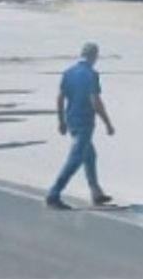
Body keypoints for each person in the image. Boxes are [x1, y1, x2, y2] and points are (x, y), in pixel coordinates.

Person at [46, 43, 116, 210]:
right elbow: (95, 102)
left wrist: (61, 121)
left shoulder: (68, 72)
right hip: (85, 122)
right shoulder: (91, 75)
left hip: (71, 120)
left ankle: (96, 192)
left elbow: (60, 98)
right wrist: (108, 123)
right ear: (94, 56)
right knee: (75, 159)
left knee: (90, 155)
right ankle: (54, 194)